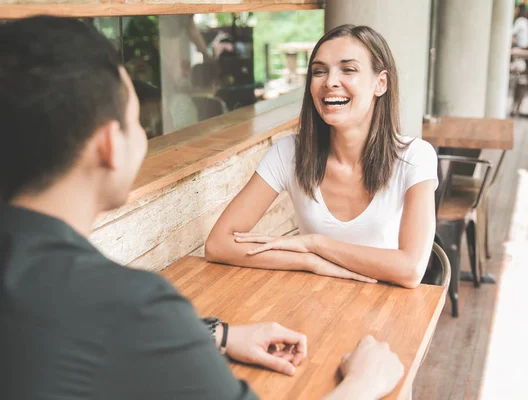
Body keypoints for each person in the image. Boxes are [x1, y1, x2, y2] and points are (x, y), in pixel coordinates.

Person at [0, 16, 404, 400]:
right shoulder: (131, 303)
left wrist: (218, 334)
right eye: (138, 123)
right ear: (109, 146)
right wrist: (361, 385)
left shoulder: (58, 290)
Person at [206, 25, 438, 288]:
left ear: (380, 83)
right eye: (319, 71)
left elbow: (410, 270)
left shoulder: (414, 157)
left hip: (385, 307)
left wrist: (314, 244)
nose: (330, 82)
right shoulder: (288, 153)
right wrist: (308, 261)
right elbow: (218, 245)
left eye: (348, 69)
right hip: (314, 302)